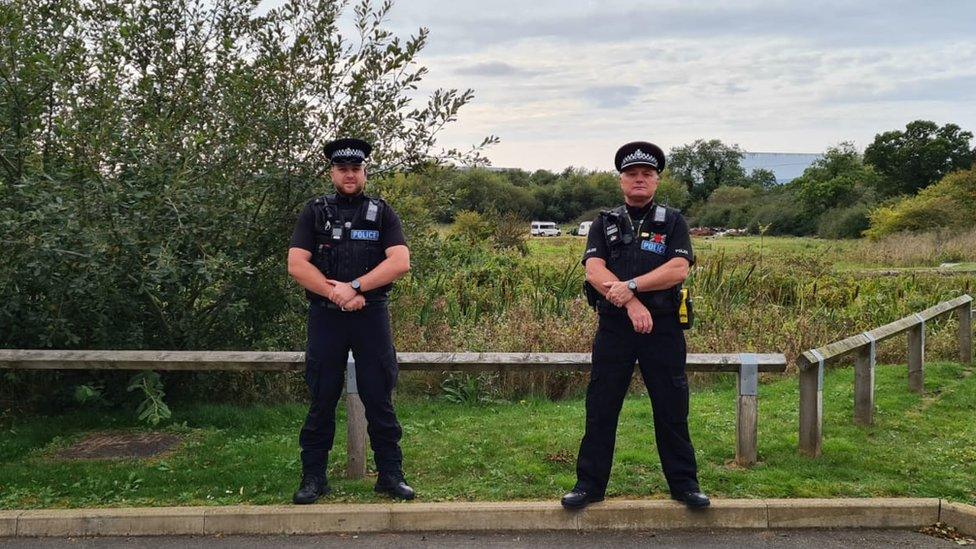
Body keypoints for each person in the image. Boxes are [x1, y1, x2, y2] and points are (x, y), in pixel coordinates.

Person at [561, 141, 709, 510]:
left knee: (671, 407)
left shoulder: (673, 221)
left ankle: (684, 486)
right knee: (601, 407)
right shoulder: (604, 222)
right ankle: (589, 486)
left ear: (657, 181)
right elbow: (594, 271)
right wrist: (631, 303)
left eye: (647, 174)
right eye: (632, 174)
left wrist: (629, 288)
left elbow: (678, 269)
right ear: (621, 181)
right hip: (614, 329)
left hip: (663, 329)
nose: (639, 180)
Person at [287, 138, 414, 504]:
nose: (350, 175)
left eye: (356, 169)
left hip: (371, 317)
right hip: (326, 318)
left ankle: (390, 475)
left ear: (364, 172)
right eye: (343, 169)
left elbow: (399, 262)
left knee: (380, 398)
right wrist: (336, 294)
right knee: (321, 397)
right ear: (332, 172)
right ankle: (314, 478)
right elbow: (297, 265)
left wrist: (356, 287)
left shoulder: (382, 212)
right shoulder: (314, 212)